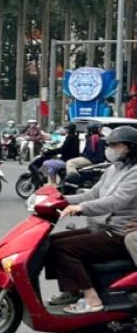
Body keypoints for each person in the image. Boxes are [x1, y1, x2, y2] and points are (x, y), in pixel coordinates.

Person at [44, 126, 137, 313]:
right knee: (51, 242)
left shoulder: (135, 172)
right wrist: (60, 201)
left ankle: (92, 298)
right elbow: (94, 193)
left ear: (130, 147)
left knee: (65, 248)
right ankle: (72, 291)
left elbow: (116, 201)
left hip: (118, 232)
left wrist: (81, 208)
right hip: (102, 228)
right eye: (108, 144)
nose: (109, 148)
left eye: (114, 145)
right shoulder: (113, 168)